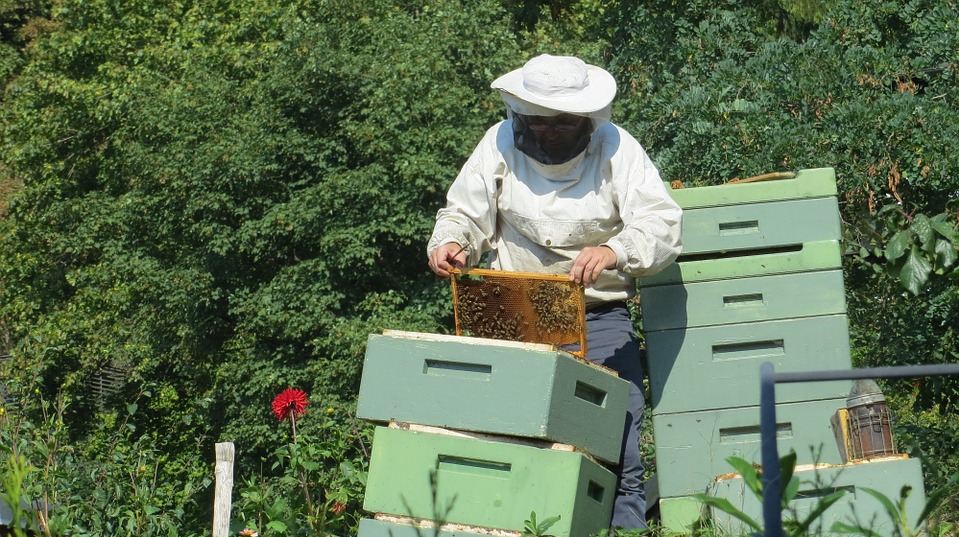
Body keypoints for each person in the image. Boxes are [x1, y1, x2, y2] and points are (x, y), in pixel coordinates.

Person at [426, 54, 682, 530]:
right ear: (519, 114)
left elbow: (663, 224)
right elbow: (463, 213)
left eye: (561, 125)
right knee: (510, 448)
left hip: (597, 317)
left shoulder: (618, 149)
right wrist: (452, 243)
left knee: (618, 450)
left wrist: (614, 250)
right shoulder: (498, 143)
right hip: (511, 317)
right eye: (537, 124)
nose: (547, 134)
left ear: (586, 120)